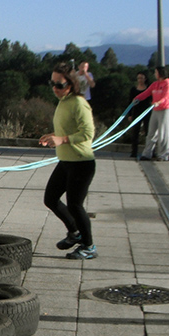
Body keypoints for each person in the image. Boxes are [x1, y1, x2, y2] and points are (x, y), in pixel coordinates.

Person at [39, 62, 97, 260]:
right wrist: (53, 136)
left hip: (82, 162)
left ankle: (89, 246)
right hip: (66, 161)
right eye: (53, 83)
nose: (55, 88)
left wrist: (62, 139)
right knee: (51, 199)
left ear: (71, 85)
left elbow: (88, 133)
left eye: (60, 85)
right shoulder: (63, 102)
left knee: (75, 205)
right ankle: (75, 233)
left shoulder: (79, 103)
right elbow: (68, 129)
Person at [134, 66, 169, 161]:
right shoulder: (155, 84)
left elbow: (166, 96)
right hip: (155, 110)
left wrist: (159, 102)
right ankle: (147, 154)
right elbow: (146, 93)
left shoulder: (167, 84)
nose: (155, 74)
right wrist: (137, 98)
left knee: (163, 133)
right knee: (151, 132)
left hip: (164, 110)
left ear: (160, 73)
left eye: (156, 72)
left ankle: (163, 155)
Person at [127, 71, 150, 158]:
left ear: (145, 78)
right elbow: (130, 102)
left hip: (146, 112)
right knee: (135, 132)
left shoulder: (148, 89)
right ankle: (134, 152)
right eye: (138, 78)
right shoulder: (133, 89)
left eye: (142, 78)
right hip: (136, 112)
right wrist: (130, 114)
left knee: (148, 132)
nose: (140, 80)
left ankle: (149, 151)